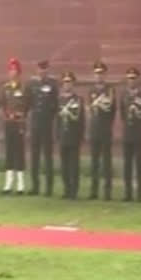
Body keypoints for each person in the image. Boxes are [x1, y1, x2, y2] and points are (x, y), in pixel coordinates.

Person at [0, 58, 29, 195]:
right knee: (9, 152)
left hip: (19, 123)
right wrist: (7, 114)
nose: (13, 72)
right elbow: (2, 103)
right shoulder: (5, 88)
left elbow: (28, 104)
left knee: (19, 152)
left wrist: (20, 115)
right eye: (11, 70)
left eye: (15, 70)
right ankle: (8, 183)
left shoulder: (24, 88)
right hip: (8, 123)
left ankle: (21, 184)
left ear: (19, 72)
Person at [29, 60, 58, 197]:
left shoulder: (52, 84)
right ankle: (35, 186)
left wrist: (50, 119)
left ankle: (49, 187)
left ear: (47, 70)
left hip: (47, 124)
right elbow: (29, 103)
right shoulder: (32, 84)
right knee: (34, 157)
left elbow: (55, 104)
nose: (42, 72)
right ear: (37, 70)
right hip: (35, 124)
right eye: (40, 69)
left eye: (45, 70)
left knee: (47, 157)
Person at [88, 61, 116, 200]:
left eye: (101, 73)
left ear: (105, 74)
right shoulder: (91, 91)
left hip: (105, 129)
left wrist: (107, 125)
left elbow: (112, 110)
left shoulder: (110, 90)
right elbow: (90, 110)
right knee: (94, 162)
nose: (99, 76)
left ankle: (107, 191)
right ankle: (94, 190)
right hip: (94, 129)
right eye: (97, 73)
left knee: (106, 162)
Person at [120, 67, 141, 202]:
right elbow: (122, 114)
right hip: (127, 133)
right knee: (127, 165)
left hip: (138, 133)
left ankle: (140, 193)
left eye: (133, 78)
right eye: (129, 78)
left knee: (139, 164)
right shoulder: (124, 95)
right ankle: (128, 193)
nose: (131, 80)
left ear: (137, 79)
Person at [58, 71, 85, 200]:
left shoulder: (78, 100)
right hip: (63, 135)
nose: (67, 84)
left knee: (74, 165)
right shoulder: (60, 100)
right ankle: (66, 189)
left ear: (73, 84)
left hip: (74, 136)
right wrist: (57, 135)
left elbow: (81, 120)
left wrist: (81, 136)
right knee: (64, 166)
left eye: (69, 82)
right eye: (65, 82)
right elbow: (57, 120)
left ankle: (74, 190)